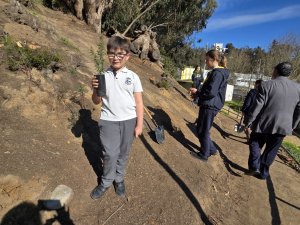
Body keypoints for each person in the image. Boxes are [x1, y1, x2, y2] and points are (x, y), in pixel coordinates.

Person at [90, 36, 144, 199]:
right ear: (108, 55)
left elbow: (139, 103)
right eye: (112, 53)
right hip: (108, 121)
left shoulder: (133, 77)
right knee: (110, 153)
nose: (116, 58)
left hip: (129, 120)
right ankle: (106, 181)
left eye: (120, 54)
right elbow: (96, 101)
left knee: (123, 153)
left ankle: (119, 179)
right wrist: (94, 90)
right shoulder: (102, 76)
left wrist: (139, 125)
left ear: (127, 56)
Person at [244, 62, 300, 179]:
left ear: (276, 71)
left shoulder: (266, 85)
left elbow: (257, 106)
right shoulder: (298, 88)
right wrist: (293, 124)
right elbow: (298, 110)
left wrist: (249, 121)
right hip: (283, 126)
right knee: (271, 150)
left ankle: (254, 165)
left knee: (254, 142)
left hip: (263, 123)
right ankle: (263, 173)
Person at [190, 50, 229, 161]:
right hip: (210, 104)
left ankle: (204, 154)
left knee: (203, 130)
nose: (206, 62)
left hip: (210, 105)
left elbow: (211, 92)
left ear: (214, 60)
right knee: (201, 128)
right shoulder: (217, 72)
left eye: (207, 59)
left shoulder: (217, 73)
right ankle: (211, 149)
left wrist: (198, 93)